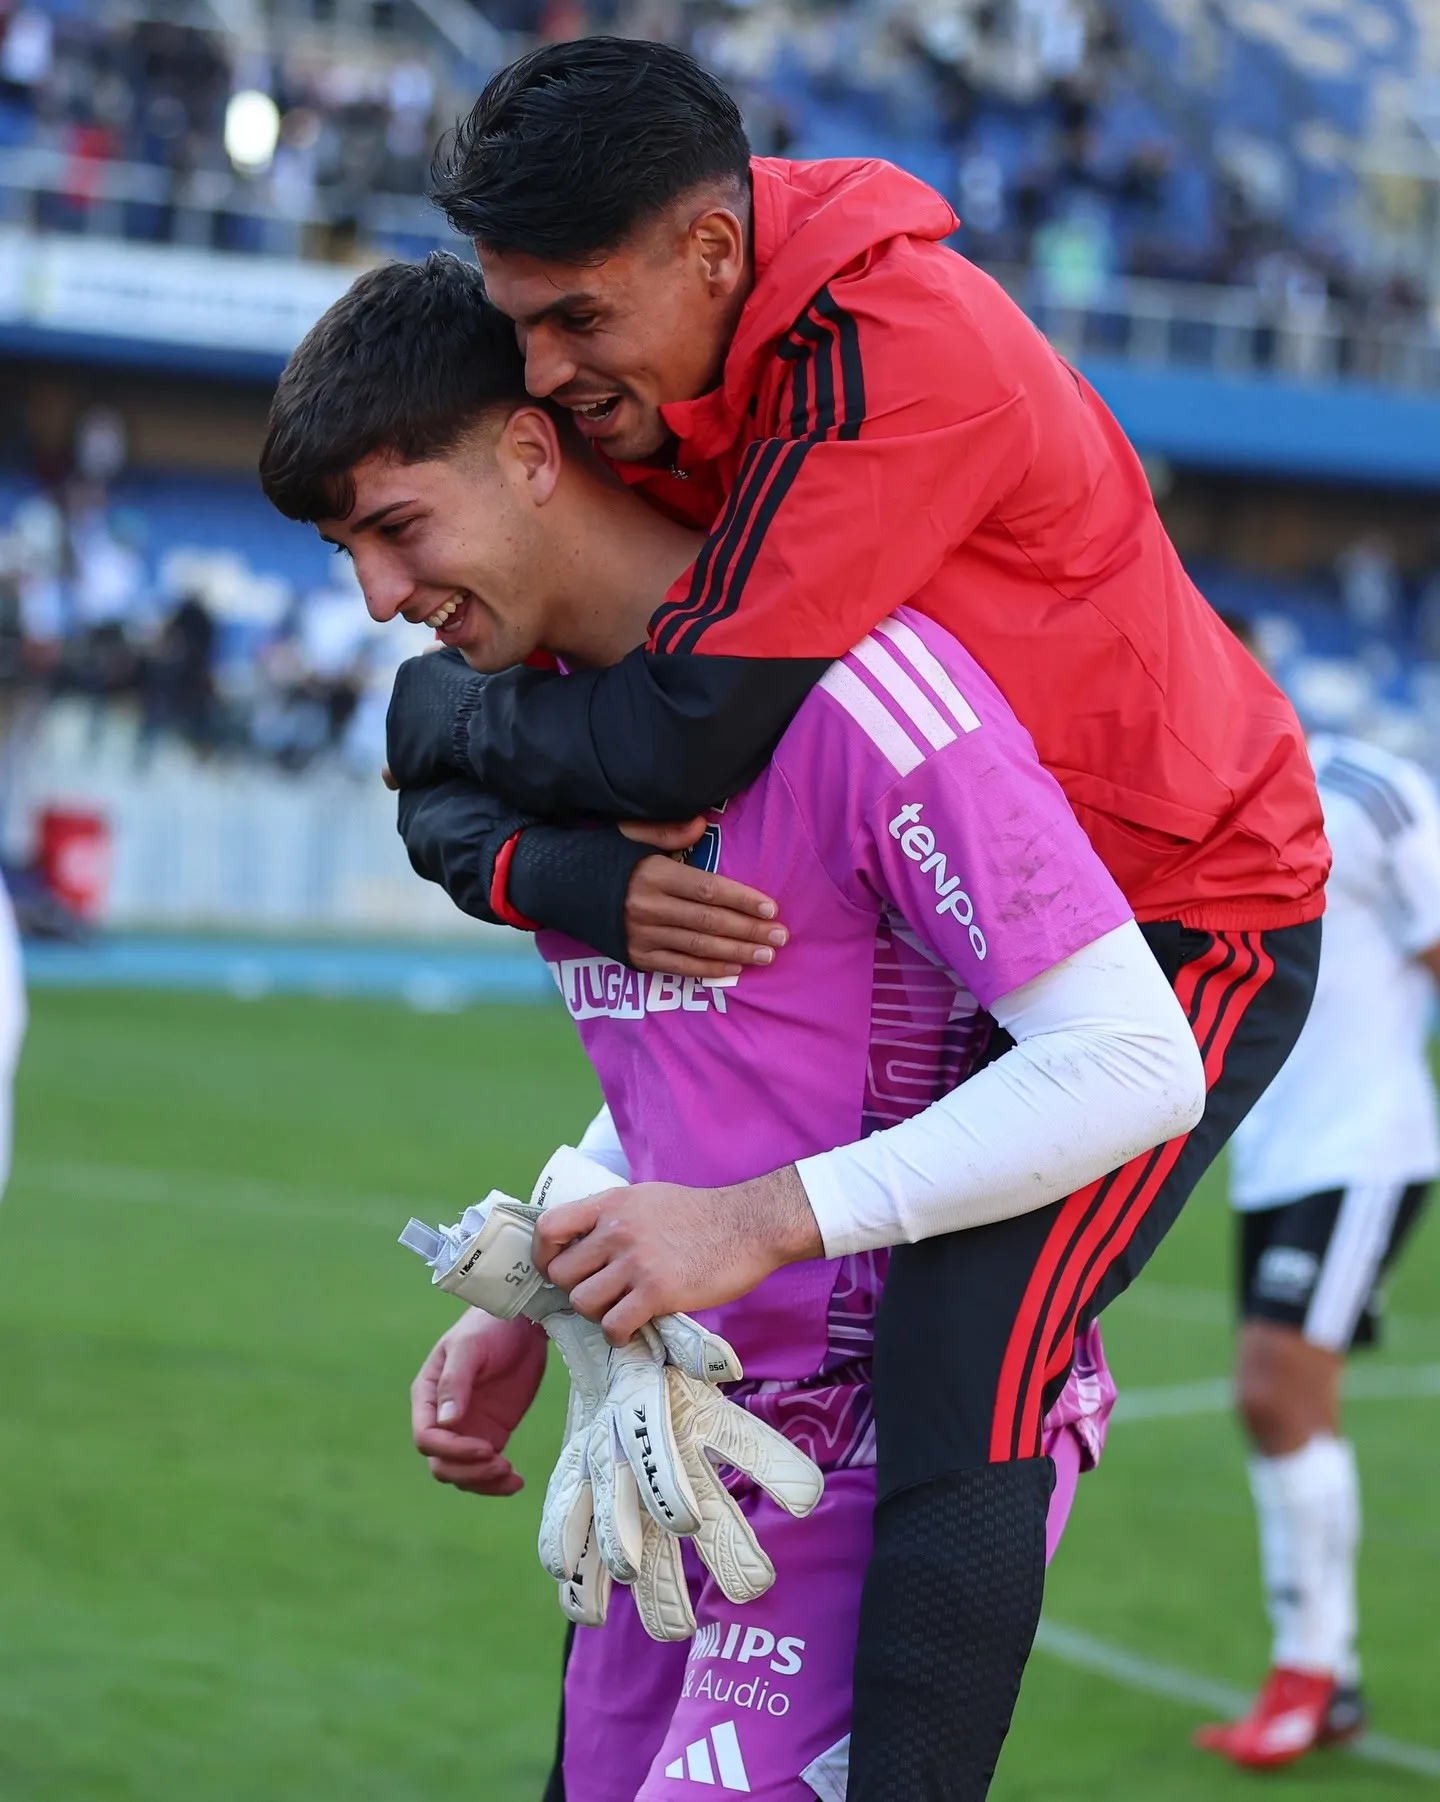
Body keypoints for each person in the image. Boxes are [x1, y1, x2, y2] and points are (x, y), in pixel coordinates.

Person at [377, 40, 1327, 1799]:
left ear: (711, 254)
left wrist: (439, 736)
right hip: (980, 912)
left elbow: (679, 728)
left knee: (969, 1357)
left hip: (1197, 906)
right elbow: (687, 951)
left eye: (578, 318)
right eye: (522, 332)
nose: (551, 372)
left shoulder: (898, 355)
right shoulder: (679, 378)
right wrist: (568, 1199)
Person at [259, 255, 1205, 1800]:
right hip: (672, 1430)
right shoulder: (554, 719)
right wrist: (566, 1262)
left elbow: (1134, 1061)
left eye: (395, 526)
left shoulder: (863, 690)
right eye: (343, 547)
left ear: (530, 450)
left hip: (881, 1440)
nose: (377, 597)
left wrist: (757, 1223)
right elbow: (710, 1062)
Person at [1196, 618, 1438, 1770]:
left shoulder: (1371, 788)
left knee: (1271, 1390)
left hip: (1364, 1141)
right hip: (1272, 1151)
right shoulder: (1188, 794)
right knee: (1296, 1400)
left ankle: (1310, 1668)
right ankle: (1328, 1680)